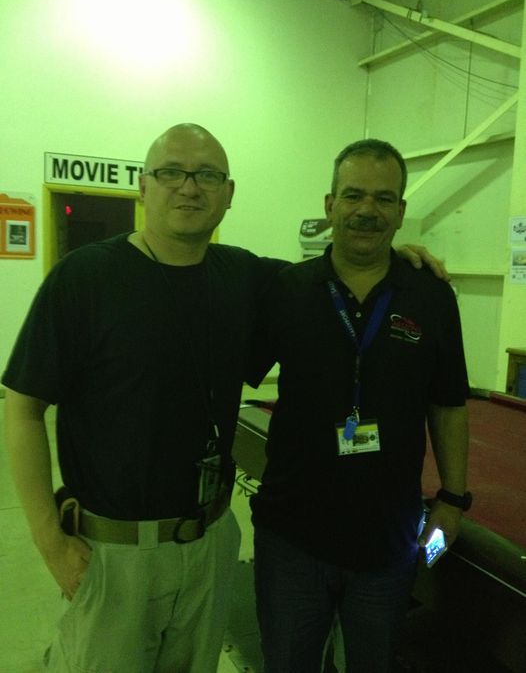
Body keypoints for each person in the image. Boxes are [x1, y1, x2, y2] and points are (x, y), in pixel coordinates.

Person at [3, 124, 448, 673]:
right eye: (172, 172)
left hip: (210, 542)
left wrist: (393, 256)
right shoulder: (84, 278)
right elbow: (21, 409)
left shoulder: (247, 277)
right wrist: (50, 540)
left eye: (207, 175)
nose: (189, 188)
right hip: (114, 555)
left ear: (229, 193)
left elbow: (343, 272)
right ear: (144, 186)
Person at [249, 139, 470, 673]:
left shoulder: (431, 294)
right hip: (290, 539)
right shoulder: (288, 288)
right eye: (353, 196)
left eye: (383, 198)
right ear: (329, 206)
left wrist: (453, 500)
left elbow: (448, 402)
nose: (367, 210)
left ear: (400, 211)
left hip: (390, 543)